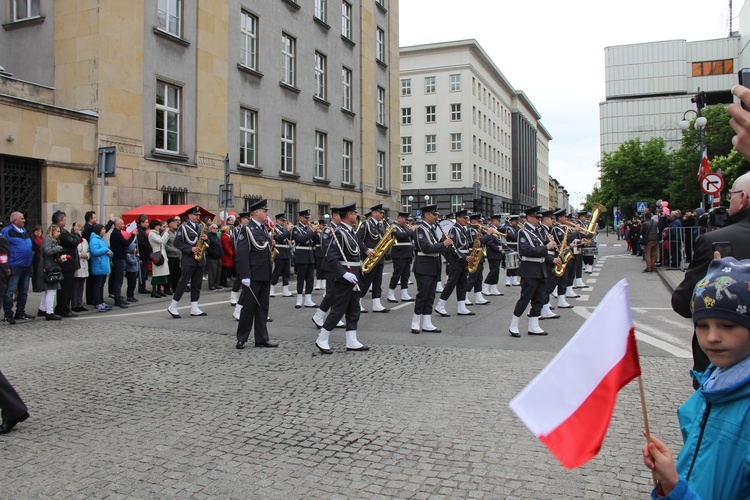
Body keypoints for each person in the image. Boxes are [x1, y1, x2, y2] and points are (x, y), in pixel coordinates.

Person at [642, 256, 750, 499]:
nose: (712, 337)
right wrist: (673, 482)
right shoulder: (713, 384)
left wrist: (678, 491)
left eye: (728, 326)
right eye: (702, 325)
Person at [672, 171, 750, 378]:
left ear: (743, 198)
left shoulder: (715, 239)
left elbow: (683, 302)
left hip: (725, 368)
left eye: (731, 195)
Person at [315, 202, 371, 353]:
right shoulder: (339, 232)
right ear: (349, 215)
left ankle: (352, 340)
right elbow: (331, 257)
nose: (356, 216)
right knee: (338, 309)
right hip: (345, 277)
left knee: (354, 309)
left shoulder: (350, 232)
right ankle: (322, 338)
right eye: (354, 213)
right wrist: (344, 273)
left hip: (355, 274)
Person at [508, 206, 558, 337]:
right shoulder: (523, 232)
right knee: (525, 298)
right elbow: (526, 250)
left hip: (541, 268)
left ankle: (534, 325)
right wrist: (546, 247)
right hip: (529, 268)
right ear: (529, 217)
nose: (538, 220)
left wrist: (552, 258)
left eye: (540, 218)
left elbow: (543, 251)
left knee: (539, 298)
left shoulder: (539, 232)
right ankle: (514, 324)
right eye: (536, 217)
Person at [235, 199, 277, 349]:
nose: (267, 214)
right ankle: (242, 338)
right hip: (253, 275)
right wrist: (245, 275)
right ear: (256, 212)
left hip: (265, 273)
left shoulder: (264, 229)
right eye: (265, 211)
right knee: (249, 308)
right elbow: (243, 254)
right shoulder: (246, 229)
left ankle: (262, 338)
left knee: (262, 308)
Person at [411, 204, 453, 334]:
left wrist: (446, 244)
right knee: (423, 295)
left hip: (434, 264)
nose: (437, 217)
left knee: (430, 296)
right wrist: (443, 244)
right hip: (424, 265)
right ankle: (415, 321)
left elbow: (438, 247)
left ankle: (427, 322)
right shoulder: (420, 229)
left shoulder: (432, 229)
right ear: (426, 215)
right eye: (434, 214)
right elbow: (425, 248)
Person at [168, 206, 209, 319]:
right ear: (189, 216)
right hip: (189, 259)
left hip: (199, 259)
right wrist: (190, 249)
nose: (198, 217)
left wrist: (206, 239)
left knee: (196, 284)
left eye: (198, 215)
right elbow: (177, 243)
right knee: (183, 282)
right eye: (196, 215)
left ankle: (194, 307)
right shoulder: (184, 228)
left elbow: (204, 241)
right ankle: (173, 305)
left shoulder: (201, 227)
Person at [435, 209, 474, 317]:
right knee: (451, 283)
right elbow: (453, 248)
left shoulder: (462, 229)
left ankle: (461, 307)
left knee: (462, 283)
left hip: (463, 259)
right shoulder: (454, 230)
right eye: (465, 218)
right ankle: (440, 305)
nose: (467, 220)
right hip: (456, 260)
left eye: (467, 218)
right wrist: (463, 257)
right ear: (458, 218)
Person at [2, 212, 35, 323]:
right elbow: (3, 249)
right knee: (10, 291)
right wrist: (5, 266)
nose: (24, 220)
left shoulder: (24, 230)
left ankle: (20, 312)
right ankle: (8, 314)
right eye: (22, 218)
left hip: (26, 265)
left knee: (24, 291)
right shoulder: (7, 231)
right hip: (14, 265)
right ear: (15, 220)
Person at [357, 204, 389, 313]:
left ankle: (376, 303)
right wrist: (366, 250)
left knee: (377, 281)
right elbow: (358, 239)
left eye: (382, 213)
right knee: (366, 280)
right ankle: (358, 301)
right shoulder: (366, 224)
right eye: (380, 213)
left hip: (379, 256)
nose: (382, 215)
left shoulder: (380, 225)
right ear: (374, 213)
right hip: (370, 255)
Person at [51, 211, 80, 318]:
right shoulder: (61, 232)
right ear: (60, 221)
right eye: (64, 220)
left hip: (69, 262)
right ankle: (64, 309)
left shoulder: (62, 231)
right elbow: (72, 242)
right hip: (67, 263)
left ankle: (61, 307)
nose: (65, 221)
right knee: (66, 287)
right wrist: (76, 233)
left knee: (66, 287)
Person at [291, 209, 319, 309]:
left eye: (308, 218)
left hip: (310, 255)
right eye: (305, 217)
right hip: (301, 255)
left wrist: (316, 233)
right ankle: (299, 299)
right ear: (300, 218)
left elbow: (315, 241)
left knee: (310, 279)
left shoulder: (308, 228)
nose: (307, 219)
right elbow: (301, 239)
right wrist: (312, 232)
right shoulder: (296, 228)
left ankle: (308, 299)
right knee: (301, 278)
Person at [38, 224, 66, 320]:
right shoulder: (47, 240)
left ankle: (42, 309)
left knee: (48, 290)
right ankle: (49, 312)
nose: (59, 233)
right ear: (52, 231)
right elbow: (47, 251)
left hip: (52, 267)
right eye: (57, 231)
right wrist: (58, 248)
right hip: (49, 268)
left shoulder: (54, 241)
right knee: (51, 290)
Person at [386, 211, 415, 303]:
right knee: (397, 274)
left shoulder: (405, 227)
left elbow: (410, 237)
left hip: (407, 253)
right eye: (403, 219)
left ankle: (404, 293)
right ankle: (391, 293)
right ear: (399, 218)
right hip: (399, 254)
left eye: (406, 219)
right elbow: (400, 235)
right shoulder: (394, 227)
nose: (405, 221)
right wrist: (412, 231)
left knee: (406, 274)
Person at [109, 218, 135, 309]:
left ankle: (118, 297)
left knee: (119, 279)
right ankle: (117, 299)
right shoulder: (116, 233)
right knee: (118, 280)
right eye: (122, 223)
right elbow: (126, 242)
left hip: (120, 258)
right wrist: (132, 235)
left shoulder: (118, 233)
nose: (123, 225)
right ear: (117, 224)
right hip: (118, 258)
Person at [87, 224, 112, 312]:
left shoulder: (102, 239)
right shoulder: (94, 240)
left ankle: (101, 301)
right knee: (97, 285)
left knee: (101, 285)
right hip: (98, 265)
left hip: (104, 265)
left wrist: (110, 252)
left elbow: (107, 249)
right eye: (103, 229)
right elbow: (94, 251)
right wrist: (105, 250)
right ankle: (97, 302)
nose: (104, 231)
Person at [269, 213, 293, 298]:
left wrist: (289, 230)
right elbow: (279, 238)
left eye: (284, 220)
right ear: (277, 220)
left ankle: (285, 289)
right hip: (279, 251)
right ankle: (272, 288)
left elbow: (289, 238)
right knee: (277, 271)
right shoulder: (274, 229)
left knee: (286, 272)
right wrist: (287, 230)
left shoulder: (284, 228)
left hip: (286, 251)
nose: (284, 222)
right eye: (282, 220)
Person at [148, 219, 170, 297]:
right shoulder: (152, 234)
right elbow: (161, 241)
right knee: (156, 273)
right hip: (156, 254)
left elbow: (163, 242)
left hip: (161, 253)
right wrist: (166, 233)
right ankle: (154, 291)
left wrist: (166, 234)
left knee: (161, 273)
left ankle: (159, 290)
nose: (159, 227)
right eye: (158, 226)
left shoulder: (156, 234)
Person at [71, 222, 90, 313]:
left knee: (81, 286)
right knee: (75, 286)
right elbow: (73, 251)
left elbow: (88, 250)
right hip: (77, 264)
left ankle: (79, 303)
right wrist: (80, 255)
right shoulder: (73, 239)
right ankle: (74, 304)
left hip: (84, 264)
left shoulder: (85, 240)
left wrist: (87, 255)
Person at [164, 216, 181, 295]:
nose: (176, 223)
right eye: (174, 222)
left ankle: (176, 288)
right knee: (170, 273)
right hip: (170, 255)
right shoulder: (167, 233)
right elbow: (164, 244)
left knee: (176, 273)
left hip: (177, 255)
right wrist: (173, 250)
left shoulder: (176, 232)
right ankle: (168, 288)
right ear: (170, 224)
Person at [205, 222, 223, 290]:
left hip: (219, 257)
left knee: (218, 272)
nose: (215, 229)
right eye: (213, 228)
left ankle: (217, 284)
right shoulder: (208, 236)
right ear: (210, 229)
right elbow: (206, 246)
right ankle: (212, 285)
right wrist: (212, 252)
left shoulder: (216, 236)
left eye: (216, 228)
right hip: (212, 257)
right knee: (213, 272)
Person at [135, 214, 150, 294]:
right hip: (142, 254)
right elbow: (141, 243)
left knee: (144, 272)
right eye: (146, 222)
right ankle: (141, 287)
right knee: (142, 272)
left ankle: (142, 287)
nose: (147, 224)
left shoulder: (141, 230)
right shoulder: (140, 232)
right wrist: (148, 246)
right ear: (141, 223)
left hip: (144, 254)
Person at [31, 225, 43, 292]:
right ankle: (35, 286)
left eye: (40, 231)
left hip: (41, 256)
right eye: (37, 231)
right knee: (35, 272)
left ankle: (41, 285)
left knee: (41, 272)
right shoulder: (33, 239)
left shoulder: (42, 239)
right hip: (36, 256)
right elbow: (35, 247)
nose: (39, 233)